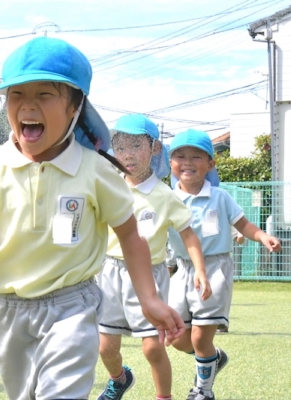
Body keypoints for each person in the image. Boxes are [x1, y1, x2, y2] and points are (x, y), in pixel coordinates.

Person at [0, 37, 185, 400]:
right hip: (4, 308)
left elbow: (130, 234)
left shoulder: (95, 170)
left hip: (71, 304)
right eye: (16, 95)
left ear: (75, 105)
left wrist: (149, 298)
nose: (27, 105)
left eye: (44, 94)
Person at [97, 114, 211, 400]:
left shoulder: (165, 195)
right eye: (120, 147)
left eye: (136, 146)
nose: (127, 155)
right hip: (109, 271)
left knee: (153, 347)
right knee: (105, 347)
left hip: (150, 274)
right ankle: (119, 379)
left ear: (155, 148)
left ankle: (164, 397)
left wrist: (199, 269)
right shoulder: (109, 185)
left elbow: (189, 235)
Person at [167, 129, 282, 400]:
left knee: (199, 338)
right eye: (179, 156)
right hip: (181, 270)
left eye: (197, 156)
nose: (187, 161)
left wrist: (263, 236)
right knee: (176, 338)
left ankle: (203, 391)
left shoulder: (221, 197)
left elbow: (243, 225)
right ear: (170, 163)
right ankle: (213, 359)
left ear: (210, 164)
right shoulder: (166, 198)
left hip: (215, 268)